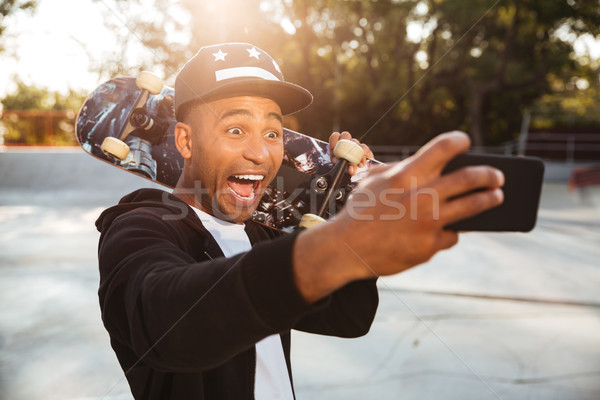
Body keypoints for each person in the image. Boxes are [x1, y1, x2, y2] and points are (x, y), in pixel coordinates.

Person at [96, 43, 504, 399]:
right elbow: (170, 323)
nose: (260, 153)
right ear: (185, 141)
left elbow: (348, 317)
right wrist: (332, 246)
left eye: (273, 133)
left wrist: (347, 216)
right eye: (236, 129)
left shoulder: (261, 236)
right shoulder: (140, 227)